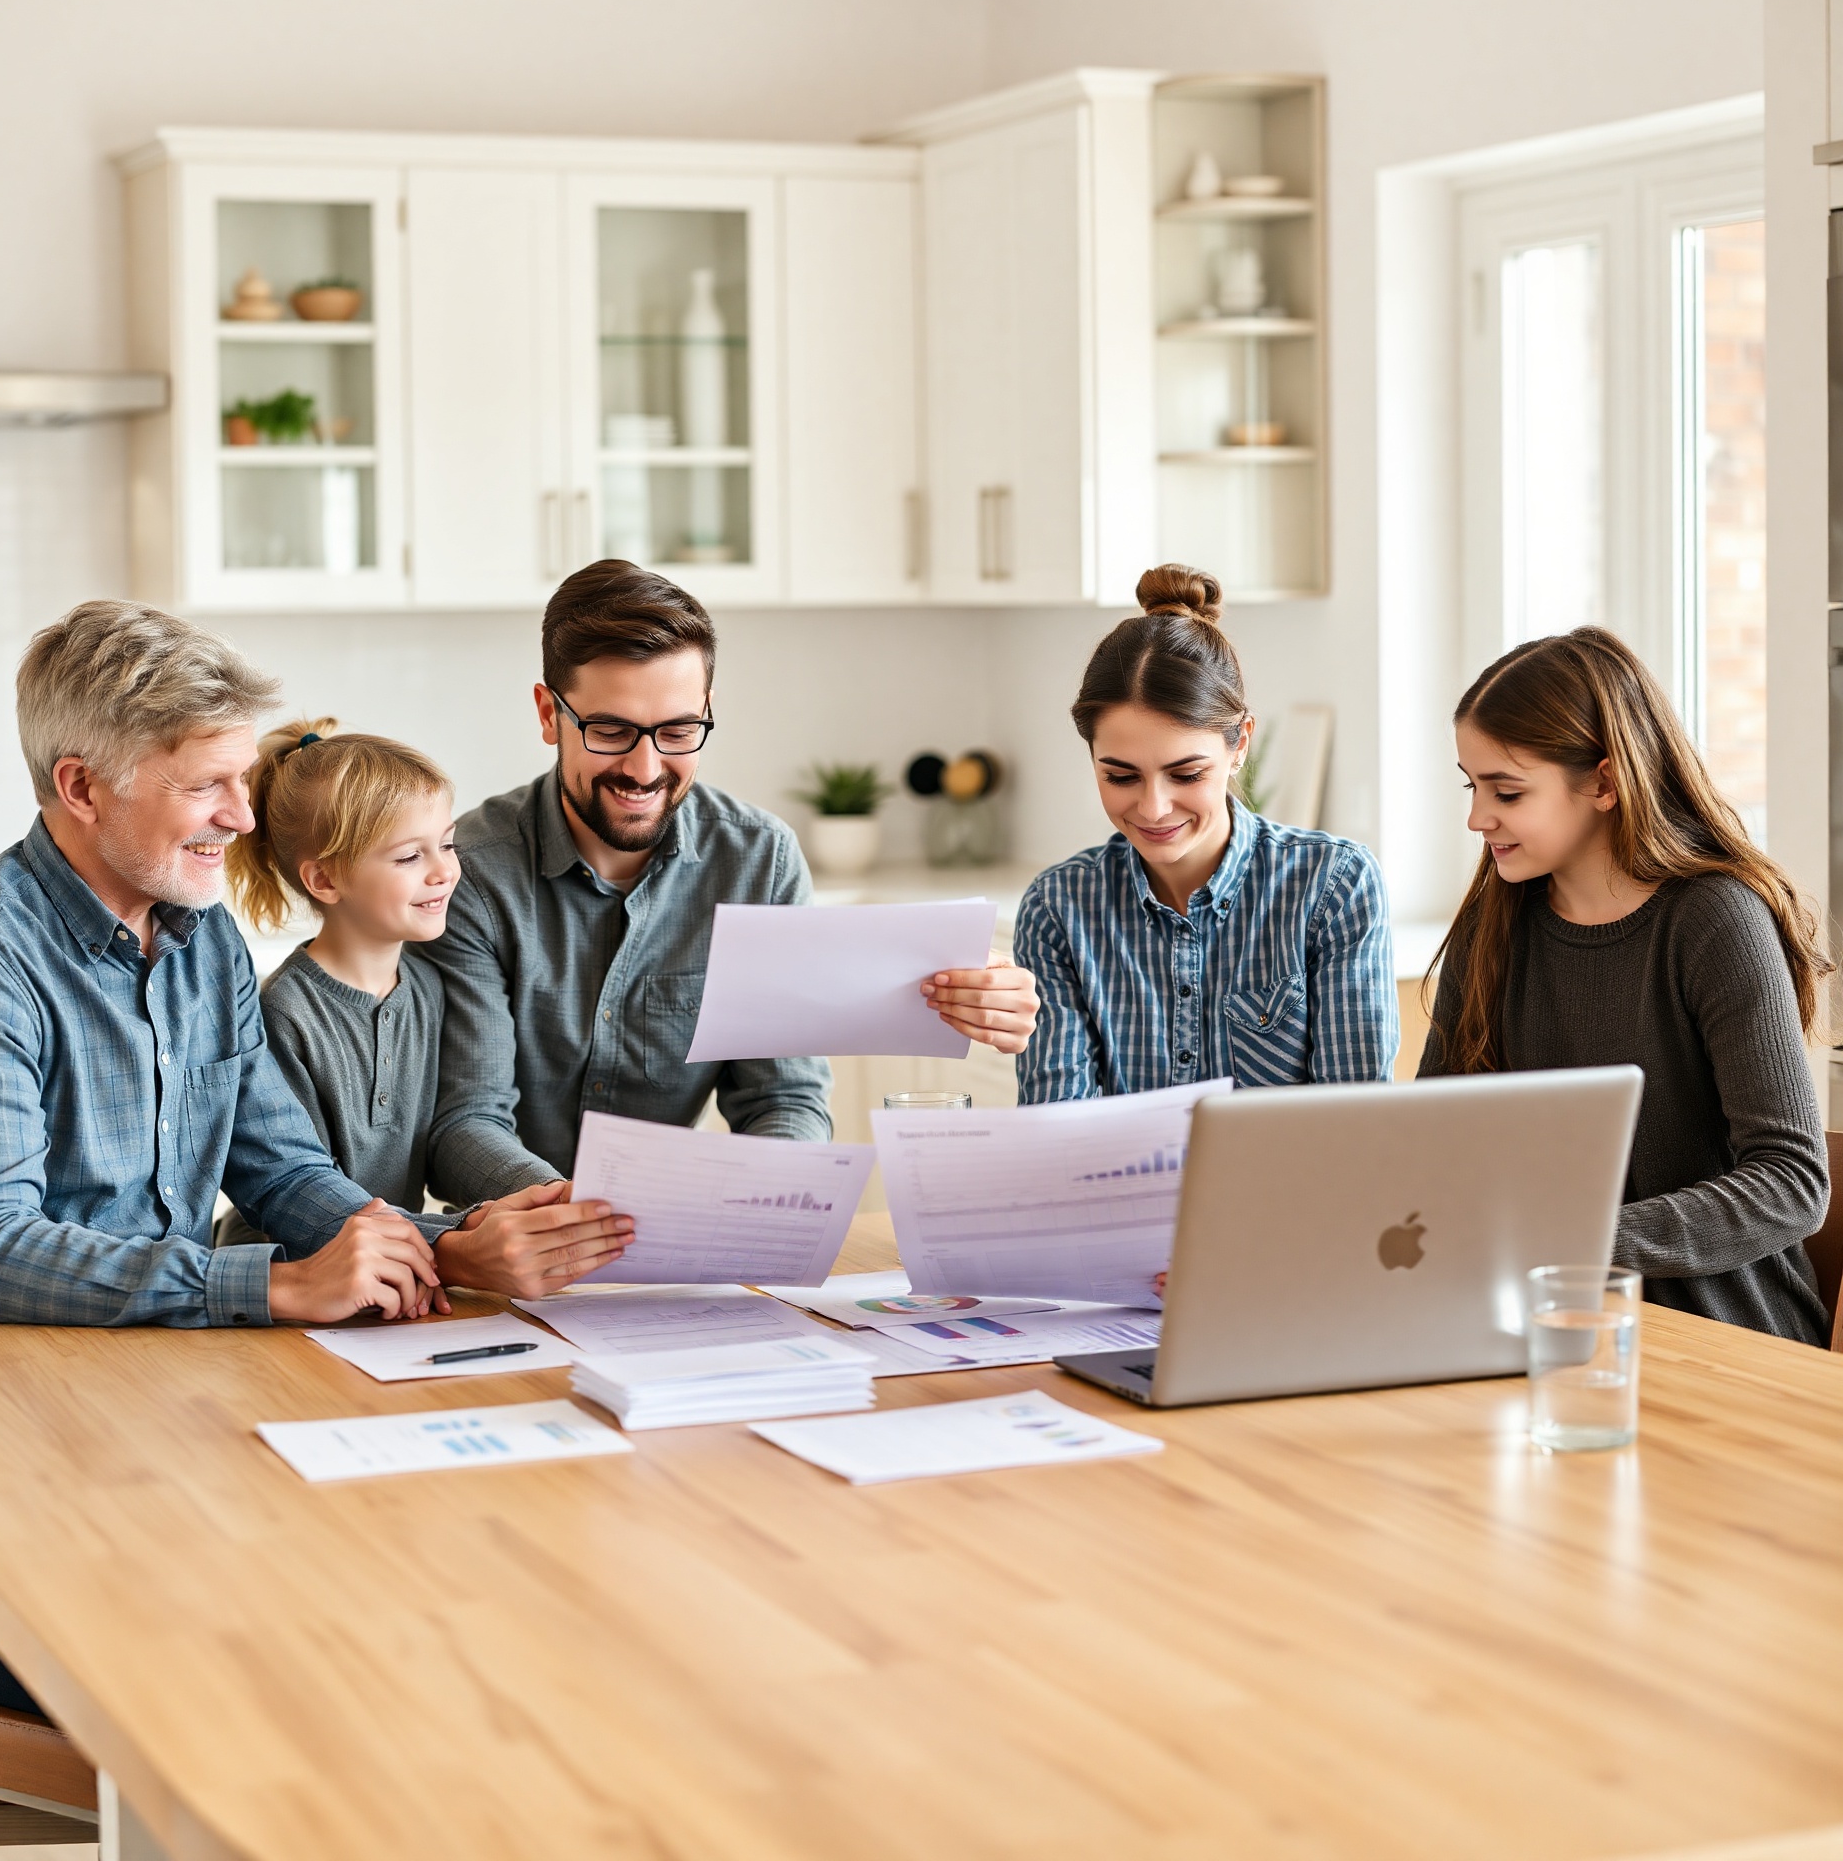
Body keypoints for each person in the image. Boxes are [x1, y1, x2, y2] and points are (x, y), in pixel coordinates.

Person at [0, 602, 632, 1714]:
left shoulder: (200, 933)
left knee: (427, 1588)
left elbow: (283, 1169)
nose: (240, 814)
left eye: (242, 778)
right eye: (205, 783)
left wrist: (448, 1246)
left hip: (140, 1437)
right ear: (82, 788)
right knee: (274, 1666)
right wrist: (275, 1281)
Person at [418, 560, 1040, 1201]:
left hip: (688, 1242)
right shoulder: (469, 871)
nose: (645, 767)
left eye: (679, 731)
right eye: (610, 731)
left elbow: (783, 1097)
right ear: (550, 715)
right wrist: (582, 1220)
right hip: (516, 1240)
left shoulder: (759, 861)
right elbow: (466, 1124)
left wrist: (763, 1201)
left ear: (707, 712)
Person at [1418, 627, 1832, 1344]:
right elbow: (1428, 1140)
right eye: (1472, 785)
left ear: (1604, 783)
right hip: (1537, 1319)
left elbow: (1792, 1183)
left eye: (1506, 791)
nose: (1477, 817)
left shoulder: (1713, 920)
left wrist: (1577, 1244)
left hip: (1719, 1336)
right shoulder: (1496, 919)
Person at [1014, 564, 1397, 1103]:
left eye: (1186, 774)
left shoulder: (1332, 887)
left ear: (1239, 744)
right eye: (1120, 776)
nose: (1153, 807)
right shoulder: (1059, 908)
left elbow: (1357, 1127)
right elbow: (1059, 1135)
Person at [224, 720, 460, 1219]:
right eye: (411, 855)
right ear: (325, 879)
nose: (444, 871)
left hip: (404, 1261)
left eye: (449, 843)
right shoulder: (284, 1014)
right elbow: (299, 1194)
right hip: (303, 1266)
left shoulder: (428, 988)